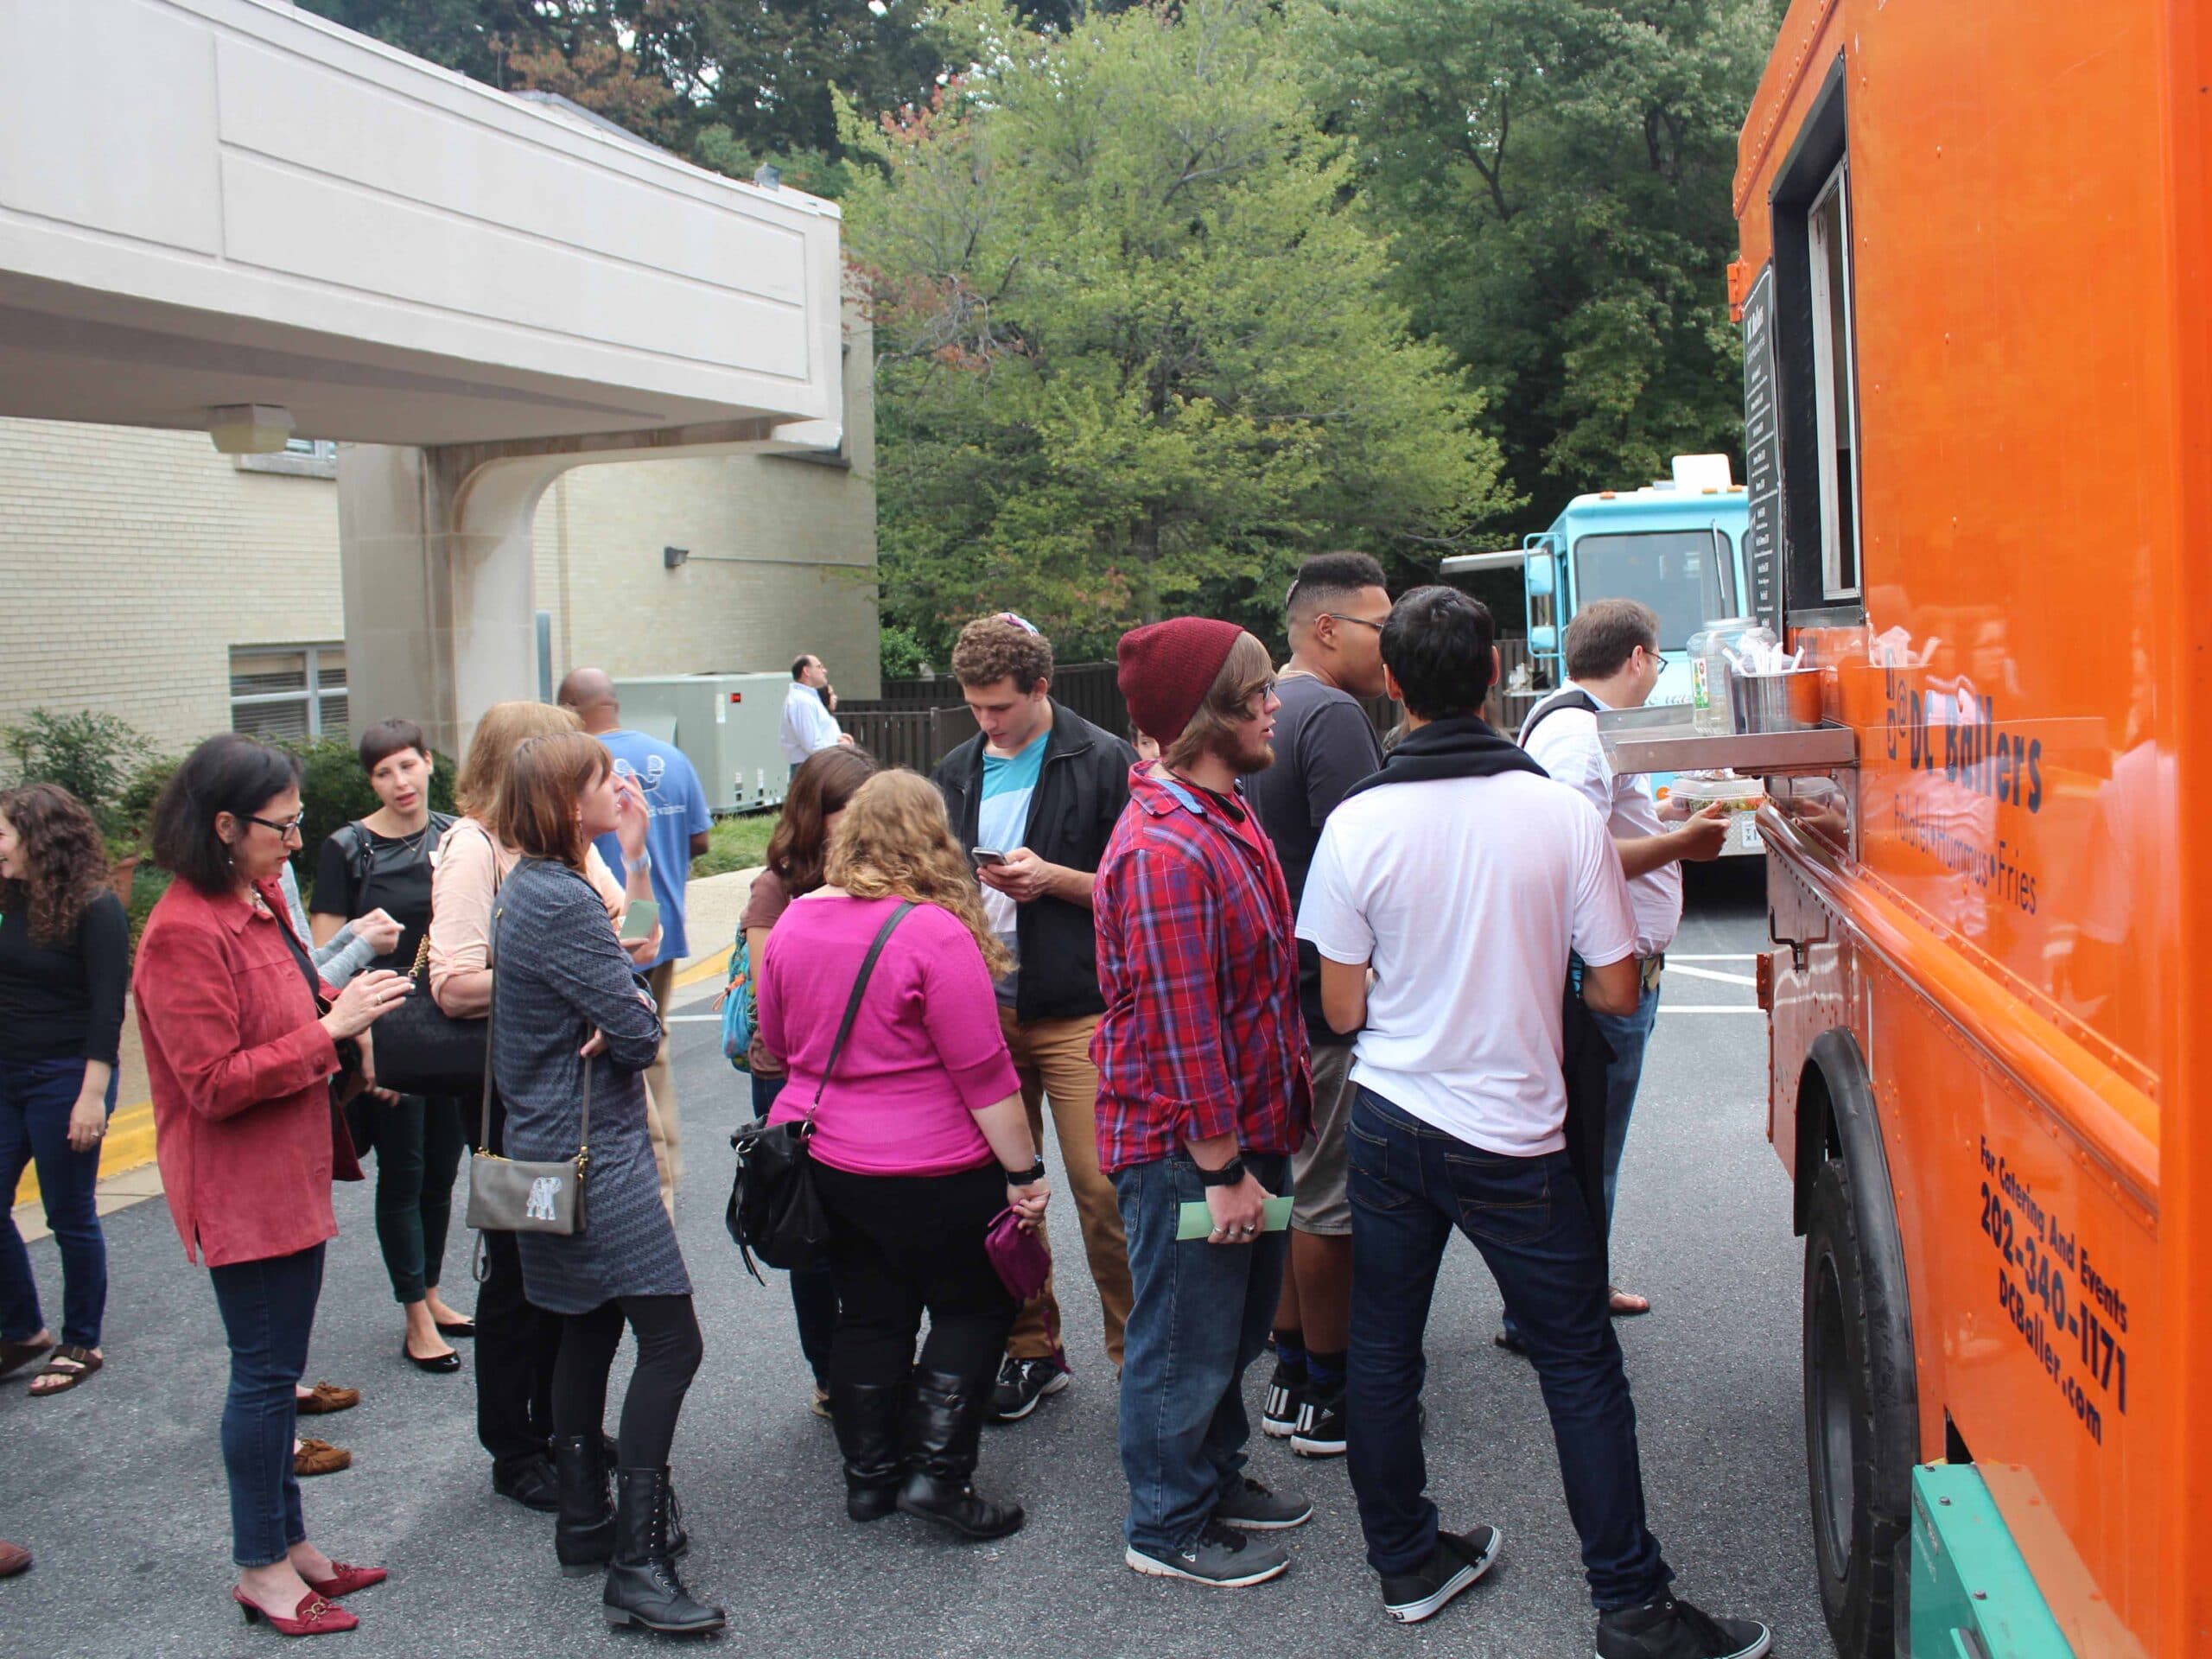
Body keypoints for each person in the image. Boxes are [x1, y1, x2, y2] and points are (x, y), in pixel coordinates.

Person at [1296, 586, 1770, 1657]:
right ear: (1494, 675)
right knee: (1578, 1362)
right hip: (1515, 1129)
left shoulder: (1356, 822)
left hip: (1390, 1119)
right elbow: (1612, 989)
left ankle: (1405, 1561)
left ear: (1394, 685)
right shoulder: (1557, 815)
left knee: (1383, 1350)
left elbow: (1340, 1008)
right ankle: (1632, 1607)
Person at [134, 734, 408, 1636]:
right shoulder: (182, 931)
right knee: (263, 1380)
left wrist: (342, 1013)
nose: (294, 843)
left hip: (285, 1172)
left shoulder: (252, 899)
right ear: (224, 825)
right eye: (282, 827)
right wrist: (333, 1030)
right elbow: (211, 1083)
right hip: (240, 1186)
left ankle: (292, 1547)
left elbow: (289, 1009)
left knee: (276, 1370)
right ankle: (261, 1567)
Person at [755, 769, 1049, 1541]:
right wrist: (1024, 1173)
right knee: (973, 1305)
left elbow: (778, 1045)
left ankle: (871, 1478)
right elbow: (984, 1075)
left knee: (868, 1311)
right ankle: (939, 1477)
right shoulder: (931, 932)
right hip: (937, 1166)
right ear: (931, 840)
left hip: (829, 1162)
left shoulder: (795, 921)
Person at [1091, 618, 1315, 1589]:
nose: (1275, 705)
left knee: (1229, 1326)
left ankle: (1212, 1478)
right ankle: (1165, 1525)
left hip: (1244, 1139)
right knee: (1182, 1336)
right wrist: (1222, 1172)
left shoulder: (1221, 810)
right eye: (1258, 692)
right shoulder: (1167, 851)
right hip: (1193, 1152)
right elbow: (1183, 1031)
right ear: (1208, 714)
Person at [489, 731, 721, 1636]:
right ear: (563, 802)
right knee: (672, 1343)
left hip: (544, 1153)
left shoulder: (536, 886)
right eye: (600, 778)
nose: (617, 784)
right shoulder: (558, 899)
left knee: (586, 1326)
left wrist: (632, 861)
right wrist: (618, 1009)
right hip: (597, 1154)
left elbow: (633, 959)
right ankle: (637, 1560)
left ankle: (585, 1520)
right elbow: (638, 1030)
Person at [428, 701, 658, 1516]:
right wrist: (567, 975)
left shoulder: (565, 850)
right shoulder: (476, 847)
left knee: (570, 1274)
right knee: (519, 1279)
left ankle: (564, 1429)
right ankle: (516, 1446)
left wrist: (633, 865)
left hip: (577, 1094)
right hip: (513, 1091)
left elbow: (632, 938)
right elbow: (453, 984)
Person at [930, 613, 1135, 1423]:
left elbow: (1136, 886)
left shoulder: (1104, 759)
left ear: (1041, 688)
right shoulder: (955, 770)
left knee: (1103, 1192)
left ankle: (1139, 1357)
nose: (987, 722)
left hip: (1076, 1008)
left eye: (1001, 707)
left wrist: (1054, 880)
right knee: (1006, 1198)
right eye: (975, 707)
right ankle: (1031, 1350)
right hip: (983, 1008)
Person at [1510, 599, 1728, 1337]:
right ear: (1636, 657)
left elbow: (1595, 826)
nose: (1656, 673)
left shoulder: (1575, 721)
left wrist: (1665, 817)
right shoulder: (1579, 736)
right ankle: (1555, 1310)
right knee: (1587, 1149)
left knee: (1587, 1145)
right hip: (1599, 973)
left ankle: (1570, 1291)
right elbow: (1572, 856)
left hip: (1607, 967)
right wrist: (1681, 845)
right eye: (1657, 660)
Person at [1243, 554, 1391, 1459]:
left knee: (1282, 1193)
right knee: (1326, 1204)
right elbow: (1364, 868)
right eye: (1381, 625)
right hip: (1321, 998)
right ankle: (1330, 1390)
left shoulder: (1260, 709)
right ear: (1327, 629)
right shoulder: (1332, 717)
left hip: (1266, 999)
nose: (1391, 643)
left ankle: (1291, 1371)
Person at [308, 719, 470, 1375]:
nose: (400, 782)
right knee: (404, 1170)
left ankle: (431, 1291)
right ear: (371, 782)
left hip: (451, 1019)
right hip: (384, 1025)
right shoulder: (347, 849)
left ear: (429, 763)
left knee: (444, 1167)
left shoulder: (455, 836)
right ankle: (413, 1315)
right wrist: (364, 1041)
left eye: (408, 765)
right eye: (383, 772)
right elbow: (324, 969)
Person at [740, 743, 880, 1416]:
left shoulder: (888, 872)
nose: (856, 820)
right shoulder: (779, 885)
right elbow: (771, 998)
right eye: (843, 808)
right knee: (812, 1236)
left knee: (873, 1233)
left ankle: (879, 1362)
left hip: (869, 1075)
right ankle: (830, 1374)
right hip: (791, 1079)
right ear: (813, 810)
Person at [560, 668, 712, 1217]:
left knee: (637, 1054)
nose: (621, 791)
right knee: (650, 1052)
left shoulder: (589, 843)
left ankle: (657, 1188)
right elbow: (699, 840)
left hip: (626, 941)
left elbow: (637, 938)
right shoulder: (671, 759)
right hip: (646, 928)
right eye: (608, 786)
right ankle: (661, 1177)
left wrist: (637, 859)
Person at [0, 784, 129, 1398]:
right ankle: (22, 1329)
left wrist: (91, 1096)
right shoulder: (8, 897)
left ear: (39, 840)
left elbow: (108, 1010)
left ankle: (82, 1339)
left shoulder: (95, 907)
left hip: (66, 1077)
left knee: (68, 1213)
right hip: (6, 1074)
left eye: (2, 834)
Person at [780, 653, 852, 775]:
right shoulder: (802, 701)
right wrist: (839, 746)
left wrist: (837, 739)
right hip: (810, 770)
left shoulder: (808, 698)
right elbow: (812, 745)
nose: (824, 670)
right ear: (806, 671)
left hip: (815, 767)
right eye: (819, 667)